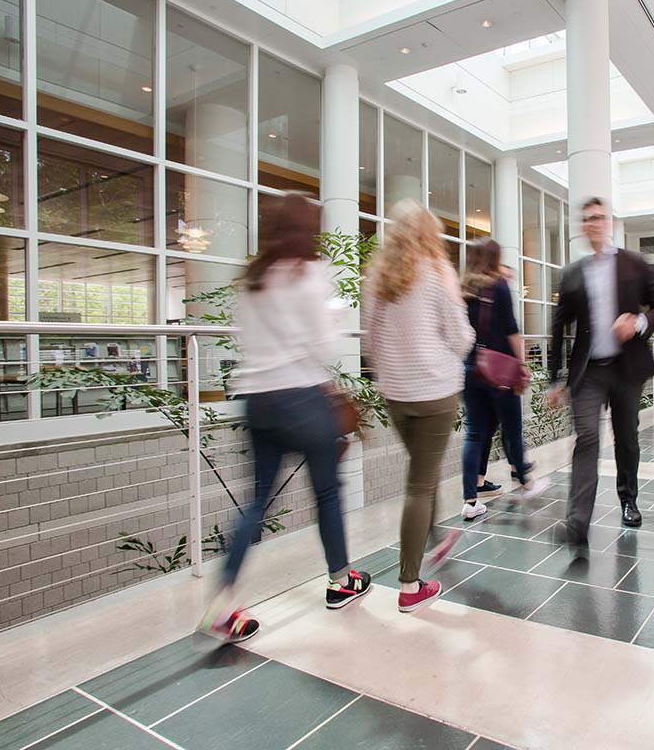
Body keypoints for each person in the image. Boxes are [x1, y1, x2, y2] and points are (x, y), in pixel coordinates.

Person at [198, 195, 371, 643]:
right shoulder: (310, 275)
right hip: (302, 397)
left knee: (256, 502)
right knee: (328, 493)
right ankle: (340, 581)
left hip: (257, 401)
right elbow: (325, 349)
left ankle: (223, 602)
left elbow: (244, 340)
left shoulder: (252, 278)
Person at [365, 200, 475, 612]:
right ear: (430, 235)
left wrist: (392, 370)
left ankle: (434, 537)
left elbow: (369, 342)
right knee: (419, 485)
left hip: (396, 395)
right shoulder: (437, 275)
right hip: (434, 393)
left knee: (421, 477)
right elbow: (462, 337)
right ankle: (410, 585)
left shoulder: (376, 280)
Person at [547, 197, 654, 546]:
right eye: (588, 219)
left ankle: (628, 499)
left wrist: (639, 322)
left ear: (611, 223)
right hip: (589, 372)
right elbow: (559, 327)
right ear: (583, 227)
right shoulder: (574, 273)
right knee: (586, 438)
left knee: (626, 438)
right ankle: (578, 522)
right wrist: (555, 378)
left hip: (627, 369)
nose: (594, 223)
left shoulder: (634, 264)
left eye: (600, 217)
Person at [459, 240, 548, 520]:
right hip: (499, 371)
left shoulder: (463, 290)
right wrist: (522, 363)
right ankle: (525, 481)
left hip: (471, 370)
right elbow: (511, 328)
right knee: (512, 426)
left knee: (474, 433)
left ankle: (470, 501)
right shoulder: (499, 286)